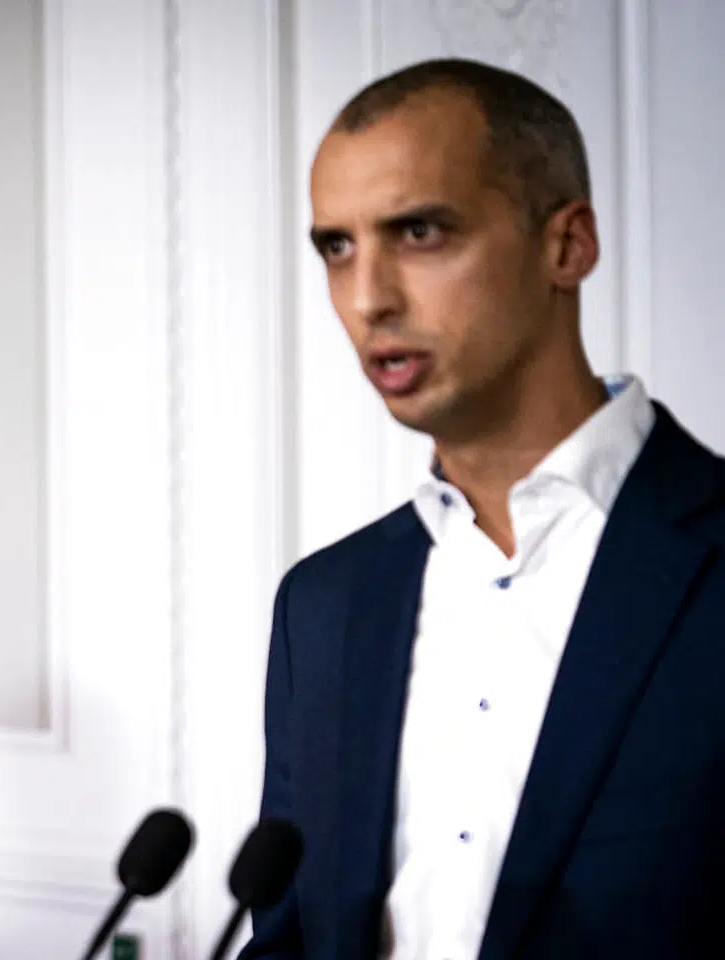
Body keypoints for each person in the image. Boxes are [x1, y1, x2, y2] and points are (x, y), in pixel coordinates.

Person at [242, 58, 725, 959]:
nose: (367, 298)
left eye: (418, 231)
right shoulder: (322, 605)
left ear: (567, 244)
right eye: (337, 248)